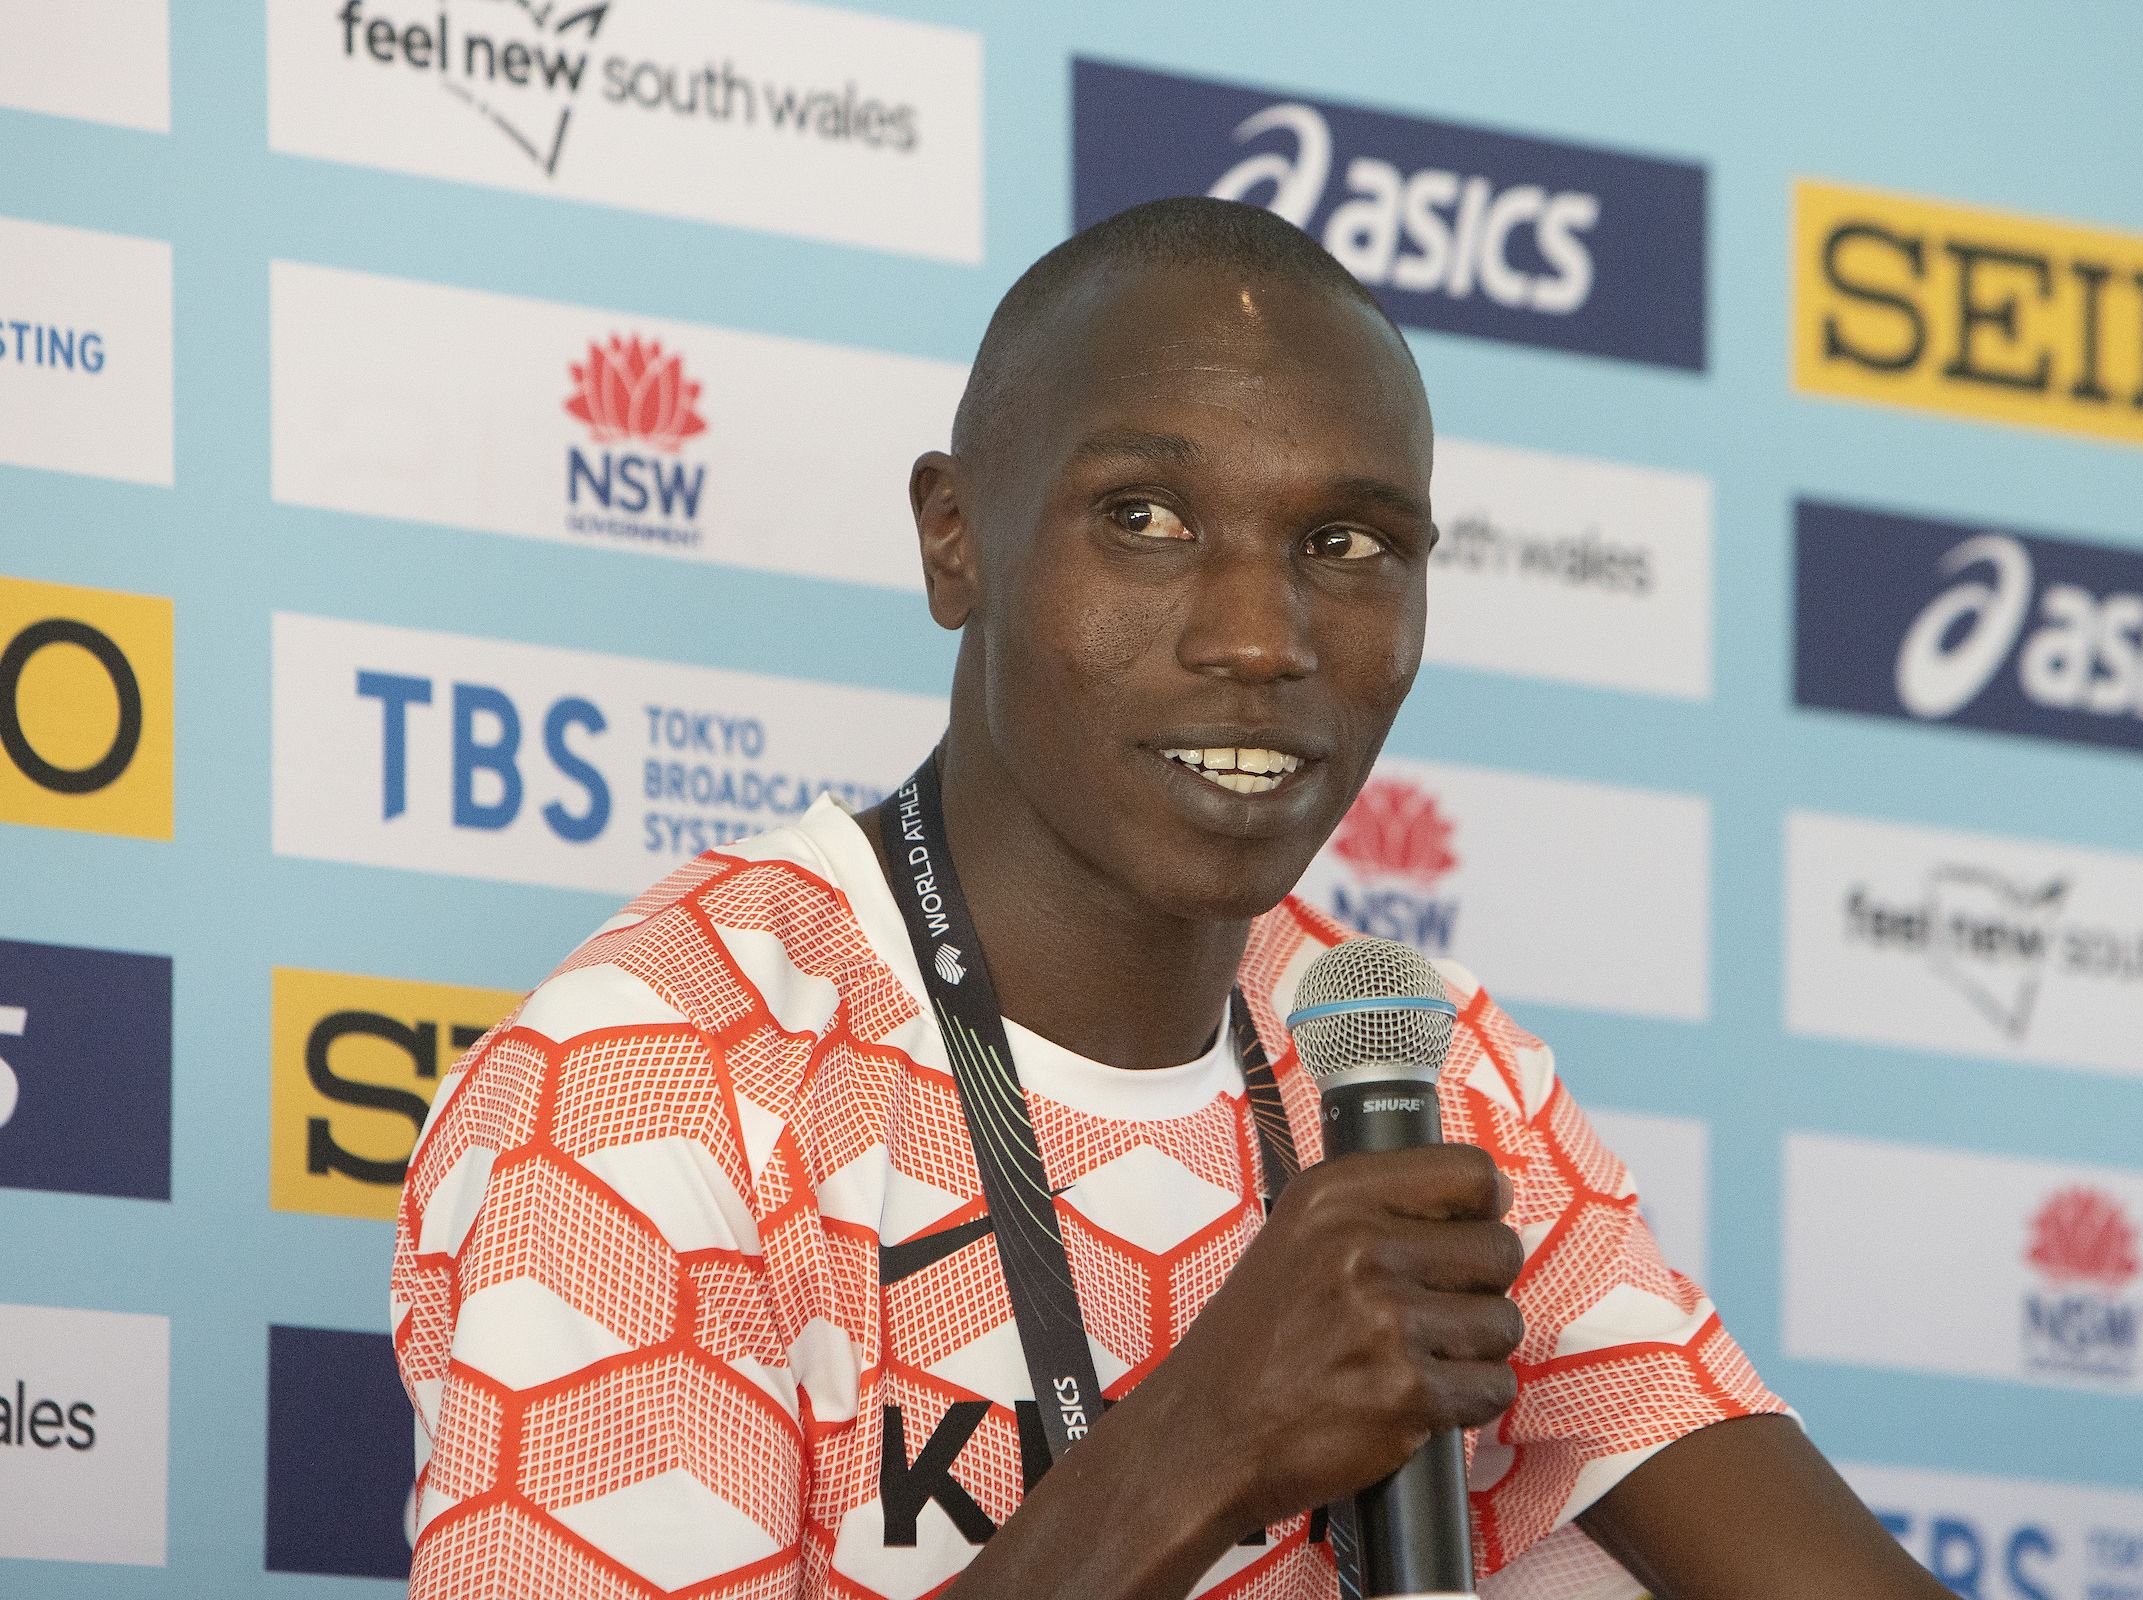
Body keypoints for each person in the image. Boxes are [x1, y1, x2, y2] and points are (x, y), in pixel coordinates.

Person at [391, 196, 1945, 1599]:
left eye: (1347, 543)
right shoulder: (651, 1080)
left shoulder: (1426, 1068)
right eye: (1146, 517)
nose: (1262, 636)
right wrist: (1198, 1444)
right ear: (955, 538)